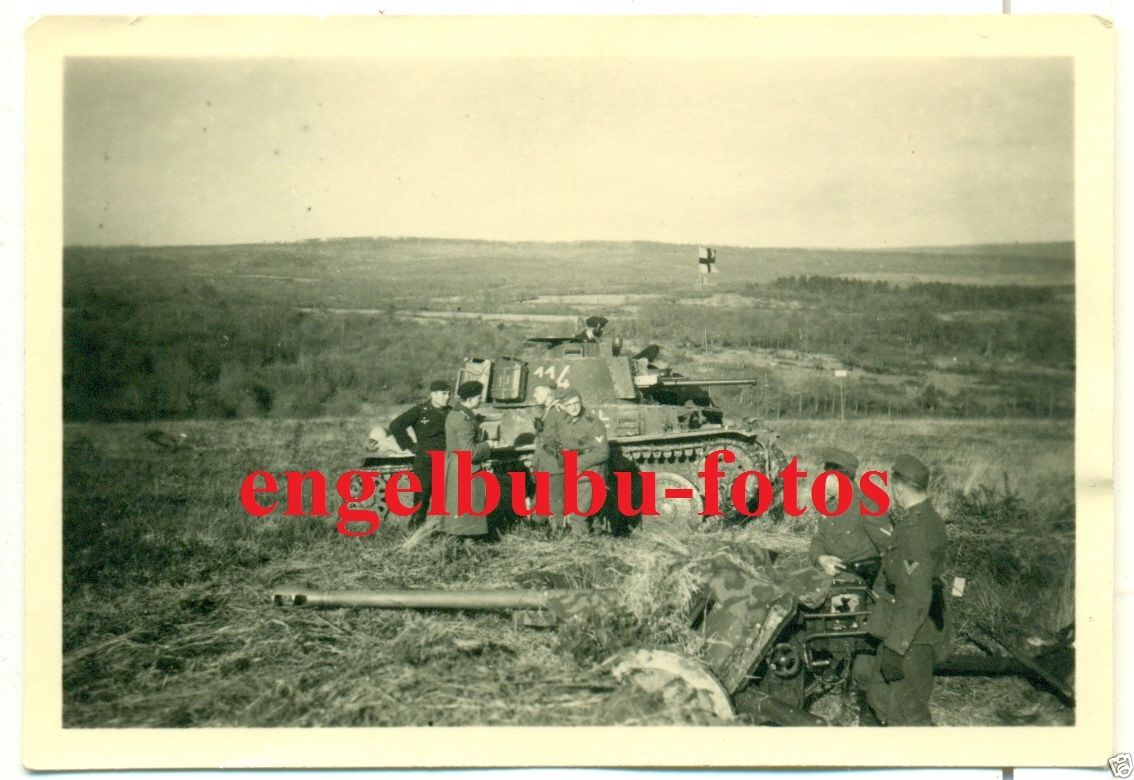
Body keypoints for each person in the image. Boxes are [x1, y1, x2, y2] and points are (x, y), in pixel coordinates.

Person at [853, 454, 949, 726]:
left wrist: (896, 647)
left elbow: (914, 595)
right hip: (907, 628)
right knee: (880, 701)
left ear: (899, 487)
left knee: (907, 716)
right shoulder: (931, 520)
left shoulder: (914, 530)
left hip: (912, 638)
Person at [537, 387, 610, 534]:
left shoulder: (592, 422)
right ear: (563, 406)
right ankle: (595, 538)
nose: (574, 407)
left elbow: (603, 452)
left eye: (576, 403)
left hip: (590, 469)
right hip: (574, 467)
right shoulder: (566, 418)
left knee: (578, 514)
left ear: (581, 402)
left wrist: (575, 463)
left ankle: (580, 543)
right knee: (588, 513)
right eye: (569, 405)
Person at [810, 448, 891, 577]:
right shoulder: (829, 506)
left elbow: (889, 549)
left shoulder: (868, 506)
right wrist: (821, 558)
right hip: (833, 575)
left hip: (862, 578)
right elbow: (818, 540)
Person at [387, 380, 452, 528]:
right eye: (443, 393)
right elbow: (396, 425)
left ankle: (445, 531)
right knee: (422, 498)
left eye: (449, 393)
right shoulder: (420, 410)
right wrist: (411, 446)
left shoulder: (451, 412)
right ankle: (415, 531)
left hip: (446, 460)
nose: (447, 397)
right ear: (433, 394)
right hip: (425, 462)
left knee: (447, 499)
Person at [441, 380, 493, 539]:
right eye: (479, 397)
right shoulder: (463, 420)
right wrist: (488, 445)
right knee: (467, 506)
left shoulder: (459, 414)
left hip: (457, 465)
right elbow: (469, 452)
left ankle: (460, 538)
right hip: (465, 468)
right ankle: (466, 539)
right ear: (470, 399)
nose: (481, 400)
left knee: (460, 507)